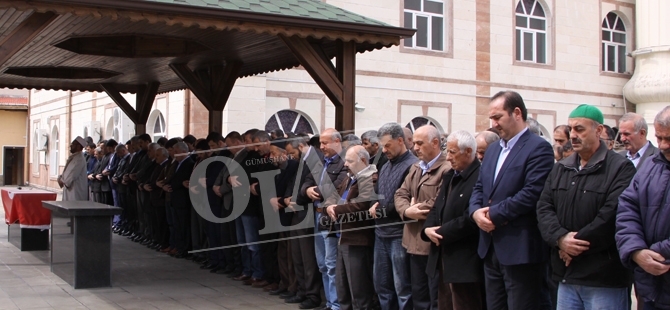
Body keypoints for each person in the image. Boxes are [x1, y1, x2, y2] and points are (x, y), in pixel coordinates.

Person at [537, 104, 636, 309]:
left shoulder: (620, 168)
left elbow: (611, 216)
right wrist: (560, 239)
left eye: (580, 129)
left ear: (598, 131)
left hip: (603, 278)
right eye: (571, 129)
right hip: (566, 276)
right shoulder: (562, 168)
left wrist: (573, 246)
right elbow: (544, 207)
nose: (573, 135)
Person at [469, 91, 555, 309]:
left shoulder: (538, 148)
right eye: (492, 118)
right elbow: (480, 187)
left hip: (521, 250)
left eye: (498, 117)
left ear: (517, 113)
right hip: (490, 247)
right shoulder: (493, 150)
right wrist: (475, 212)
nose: (494, 123)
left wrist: (493, 214)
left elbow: (531, 193)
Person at [422, 130, 484, 310]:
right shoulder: (450, 175)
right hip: (443, 254)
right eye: (447, 151)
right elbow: (436, 207)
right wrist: (427, 229)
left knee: (465, 303)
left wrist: (441, 232)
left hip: (464, 258)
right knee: (444, 303)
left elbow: (470, 217)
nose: (448, 157)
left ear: (469, 151)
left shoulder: (479, 176)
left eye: (453, 152)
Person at [617, 106, 670, 310]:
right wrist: (636, 251)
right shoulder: (650, 166)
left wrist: (655, 253)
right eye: (659, 138)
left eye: (669, 139)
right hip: (649, 288)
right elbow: (627, 209)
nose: (663, 145)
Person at [396, 125, 451, 309]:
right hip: (412, 241)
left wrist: (415, 208)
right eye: (415, 143)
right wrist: (406, 211)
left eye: (420, 143)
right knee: (418, 294)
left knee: (435, 296)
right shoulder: (415, 168)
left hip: (431, 245)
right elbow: (400, 193)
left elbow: (439, 201)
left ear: (435, 143)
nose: (415, 148)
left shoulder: (446, 169)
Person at [323, 145, 377, 310]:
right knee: (342, 287)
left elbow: (360, 206)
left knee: (358, 289)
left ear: (362, 160)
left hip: (357, 240)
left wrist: (335, 209)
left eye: (349, 160)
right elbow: (333, 195)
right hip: (342, 237)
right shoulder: (350, 177)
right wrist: (329, 206)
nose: (345, 164)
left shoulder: (370, 178)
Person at [370, 123, 417, 310]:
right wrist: (375, 203)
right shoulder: (386, 165)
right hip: (381, 233)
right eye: (382, 146)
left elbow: (405, 201)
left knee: (402, 288)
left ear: (400, 140)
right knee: (382, 285)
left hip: (399, 234)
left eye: (388, 145)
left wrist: (381, 208)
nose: (384, 150)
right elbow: (379, 194)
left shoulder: (412, 166)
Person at [301, 128, 348, 310]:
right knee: (321, 263)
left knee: (331, 263)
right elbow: (306, 179)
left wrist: (317, 191)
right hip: (317, 214)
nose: (322, 147)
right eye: (320, 143)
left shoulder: (344, 162)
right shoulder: (321, 161)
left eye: (325, 143)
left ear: (337, 142)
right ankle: (329, 302)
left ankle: (336, 305)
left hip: (330, 218)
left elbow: (338, 186)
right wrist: (306, 190)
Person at [284, 134, 325, 309]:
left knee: (308, 258)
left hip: (307, 213)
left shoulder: (316, 159)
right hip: (296, 212)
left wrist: (296, 200)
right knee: (297, 256)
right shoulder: (302, 160)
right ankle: (301, 290)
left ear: (301, 146)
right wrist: (286, 198)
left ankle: (312, 295)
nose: (290, 156)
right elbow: (294, 181)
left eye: (292, 152)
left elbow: (313, 185)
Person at [58, 136, 89, 201]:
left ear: (78, 146)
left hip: (76, 191)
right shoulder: (74, 157)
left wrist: (63, 181)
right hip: (70, 190)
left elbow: (72, 174)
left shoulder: (79, 159)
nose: (71, 146)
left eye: (73, 145)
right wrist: (61, 177)